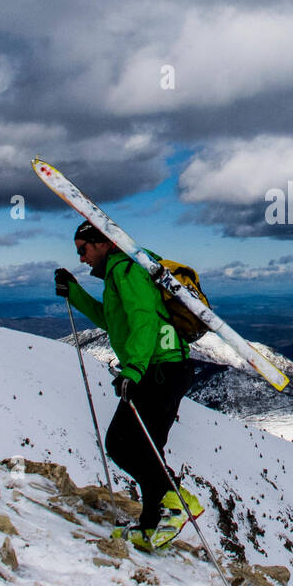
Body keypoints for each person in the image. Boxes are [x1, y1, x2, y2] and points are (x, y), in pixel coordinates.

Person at [55, 221, 198, 551]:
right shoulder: (117, 274)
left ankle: (176, 502)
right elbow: (113, 320)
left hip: (158, 369)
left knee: (120, 443)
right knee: (147, 449)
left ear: (103, 243)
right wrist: (75, 291)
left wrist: (132, 370)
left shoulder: (126, 270)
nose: (82, 257)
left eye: (84, 249)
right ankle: (150, 526)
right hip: (167, 368)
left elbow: (144, 319)